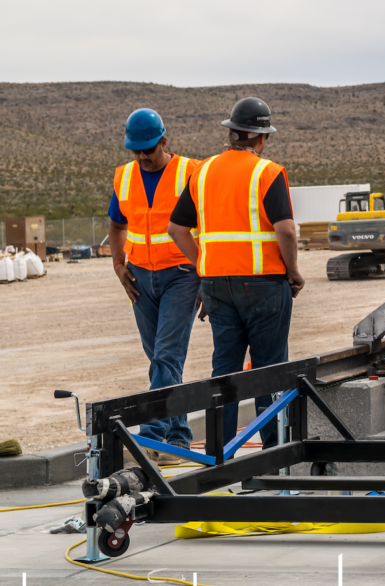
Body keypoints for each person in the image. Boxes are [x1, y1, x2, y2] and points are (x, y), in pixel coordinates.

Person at [168, 97, 305, 450]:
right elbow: (286, 231)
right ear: (261, 138)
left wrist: (205, 263)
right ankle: (274, 454)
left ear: (231, 134)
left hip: (216, 286)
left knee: (224, 372)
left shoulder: (203, 172)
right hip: (264, 285)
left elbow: (176, 229)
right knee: (269, 371)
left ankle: (218, 454)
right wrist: (294, 272)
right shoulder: (268, 172)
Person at [107, 108, 201, 465]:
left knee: (165, 355)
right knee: (163, 360)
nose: (143, 157)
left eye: (149, 149)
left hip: (182, 274)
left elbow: (205, 228)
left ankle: (152, 437)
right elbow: (116, 226)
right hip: (140, 278)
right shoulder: (125, 177)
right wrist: (118, 264)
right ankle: (178, 438)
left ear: (164, 140)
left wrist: (205, 276)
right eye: (137, 151)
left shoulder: (190, 172)